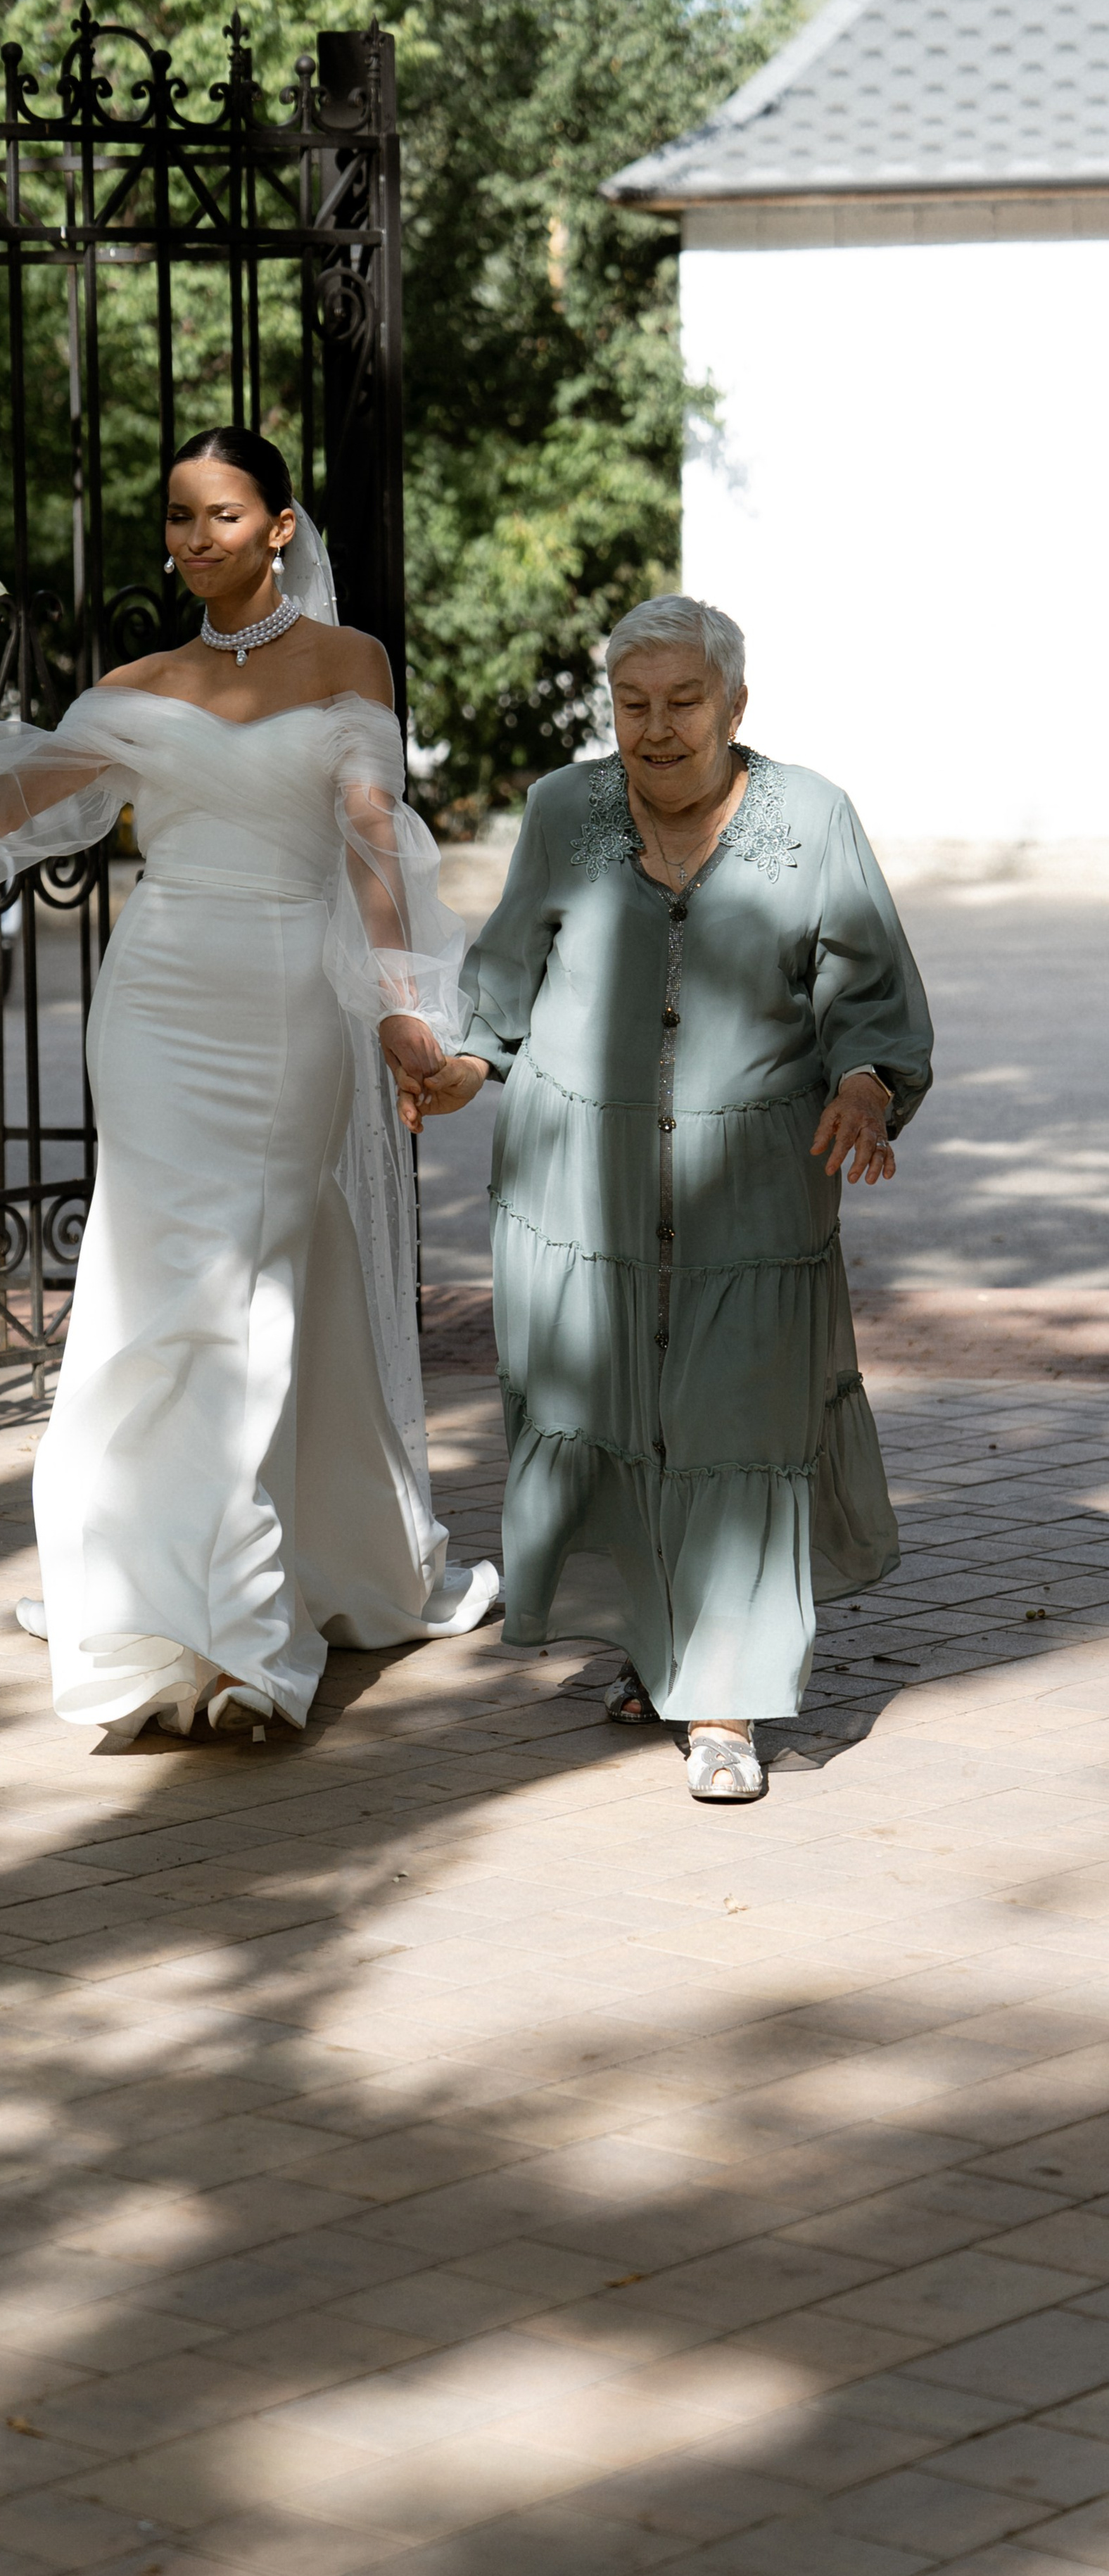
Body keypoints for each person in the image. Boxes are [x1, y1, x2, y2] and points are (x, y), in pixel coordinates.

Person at [0, 428, 500, 1742]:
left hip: (291, 996)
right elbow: (18, 805)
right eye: (182, 519)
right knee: (156, 1282)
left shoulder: (348, 663)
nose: (199, 539)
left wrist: (406, 1010)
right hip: (156, 999)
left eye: (226, 515)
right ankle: (155, 1607)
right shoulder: (135, 684)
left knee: (246, 1281)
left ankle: (243, 1635)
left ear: (282, 526)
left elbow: (373, 841)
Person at [400, 596, 932, 1800]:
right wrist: (459, 1067)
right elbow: (501, 985)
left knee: (738, 1427)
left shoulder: (814, 818)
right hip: (577, 1187)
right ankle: (657, 1648)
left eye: (683, 701)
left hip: (753, 1191)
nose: (654, 727)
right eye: (631, 703)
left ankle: (728, 1708)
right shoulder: (563, 811)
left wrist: (860, 1086)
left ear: (735, 705)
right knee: (621, 1416)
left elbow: (871, 994)